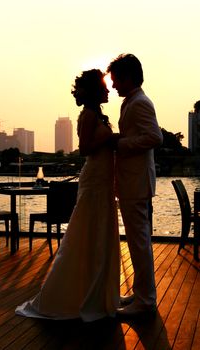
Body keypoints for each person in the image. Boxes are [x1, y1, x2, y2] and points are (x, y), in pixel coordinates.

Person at [15, 69, 121, 322]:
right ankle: (75, 296)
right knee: (87, 233)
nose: (108, 91)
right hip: (94, 180)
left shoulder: (97, 115)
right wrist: (109, 138)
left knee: (100, 235)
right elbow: (84, 149)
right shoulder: (86, 115)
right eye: (104, 87)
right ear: (96, 92)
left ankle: (99, 293)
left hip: (103, 180)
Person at [107, 54, 163, 318]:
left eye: (116, 79)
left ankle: (146, 300)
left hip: (136, 182)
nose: (114, 85)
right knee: (137, 241)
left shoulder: (140, 103)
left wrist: (119, 144)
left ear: (128, 77)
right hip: (132, 181)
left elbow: (154, 137)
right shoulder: (132, 102)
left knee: (139, 242)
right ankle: (142, 294)